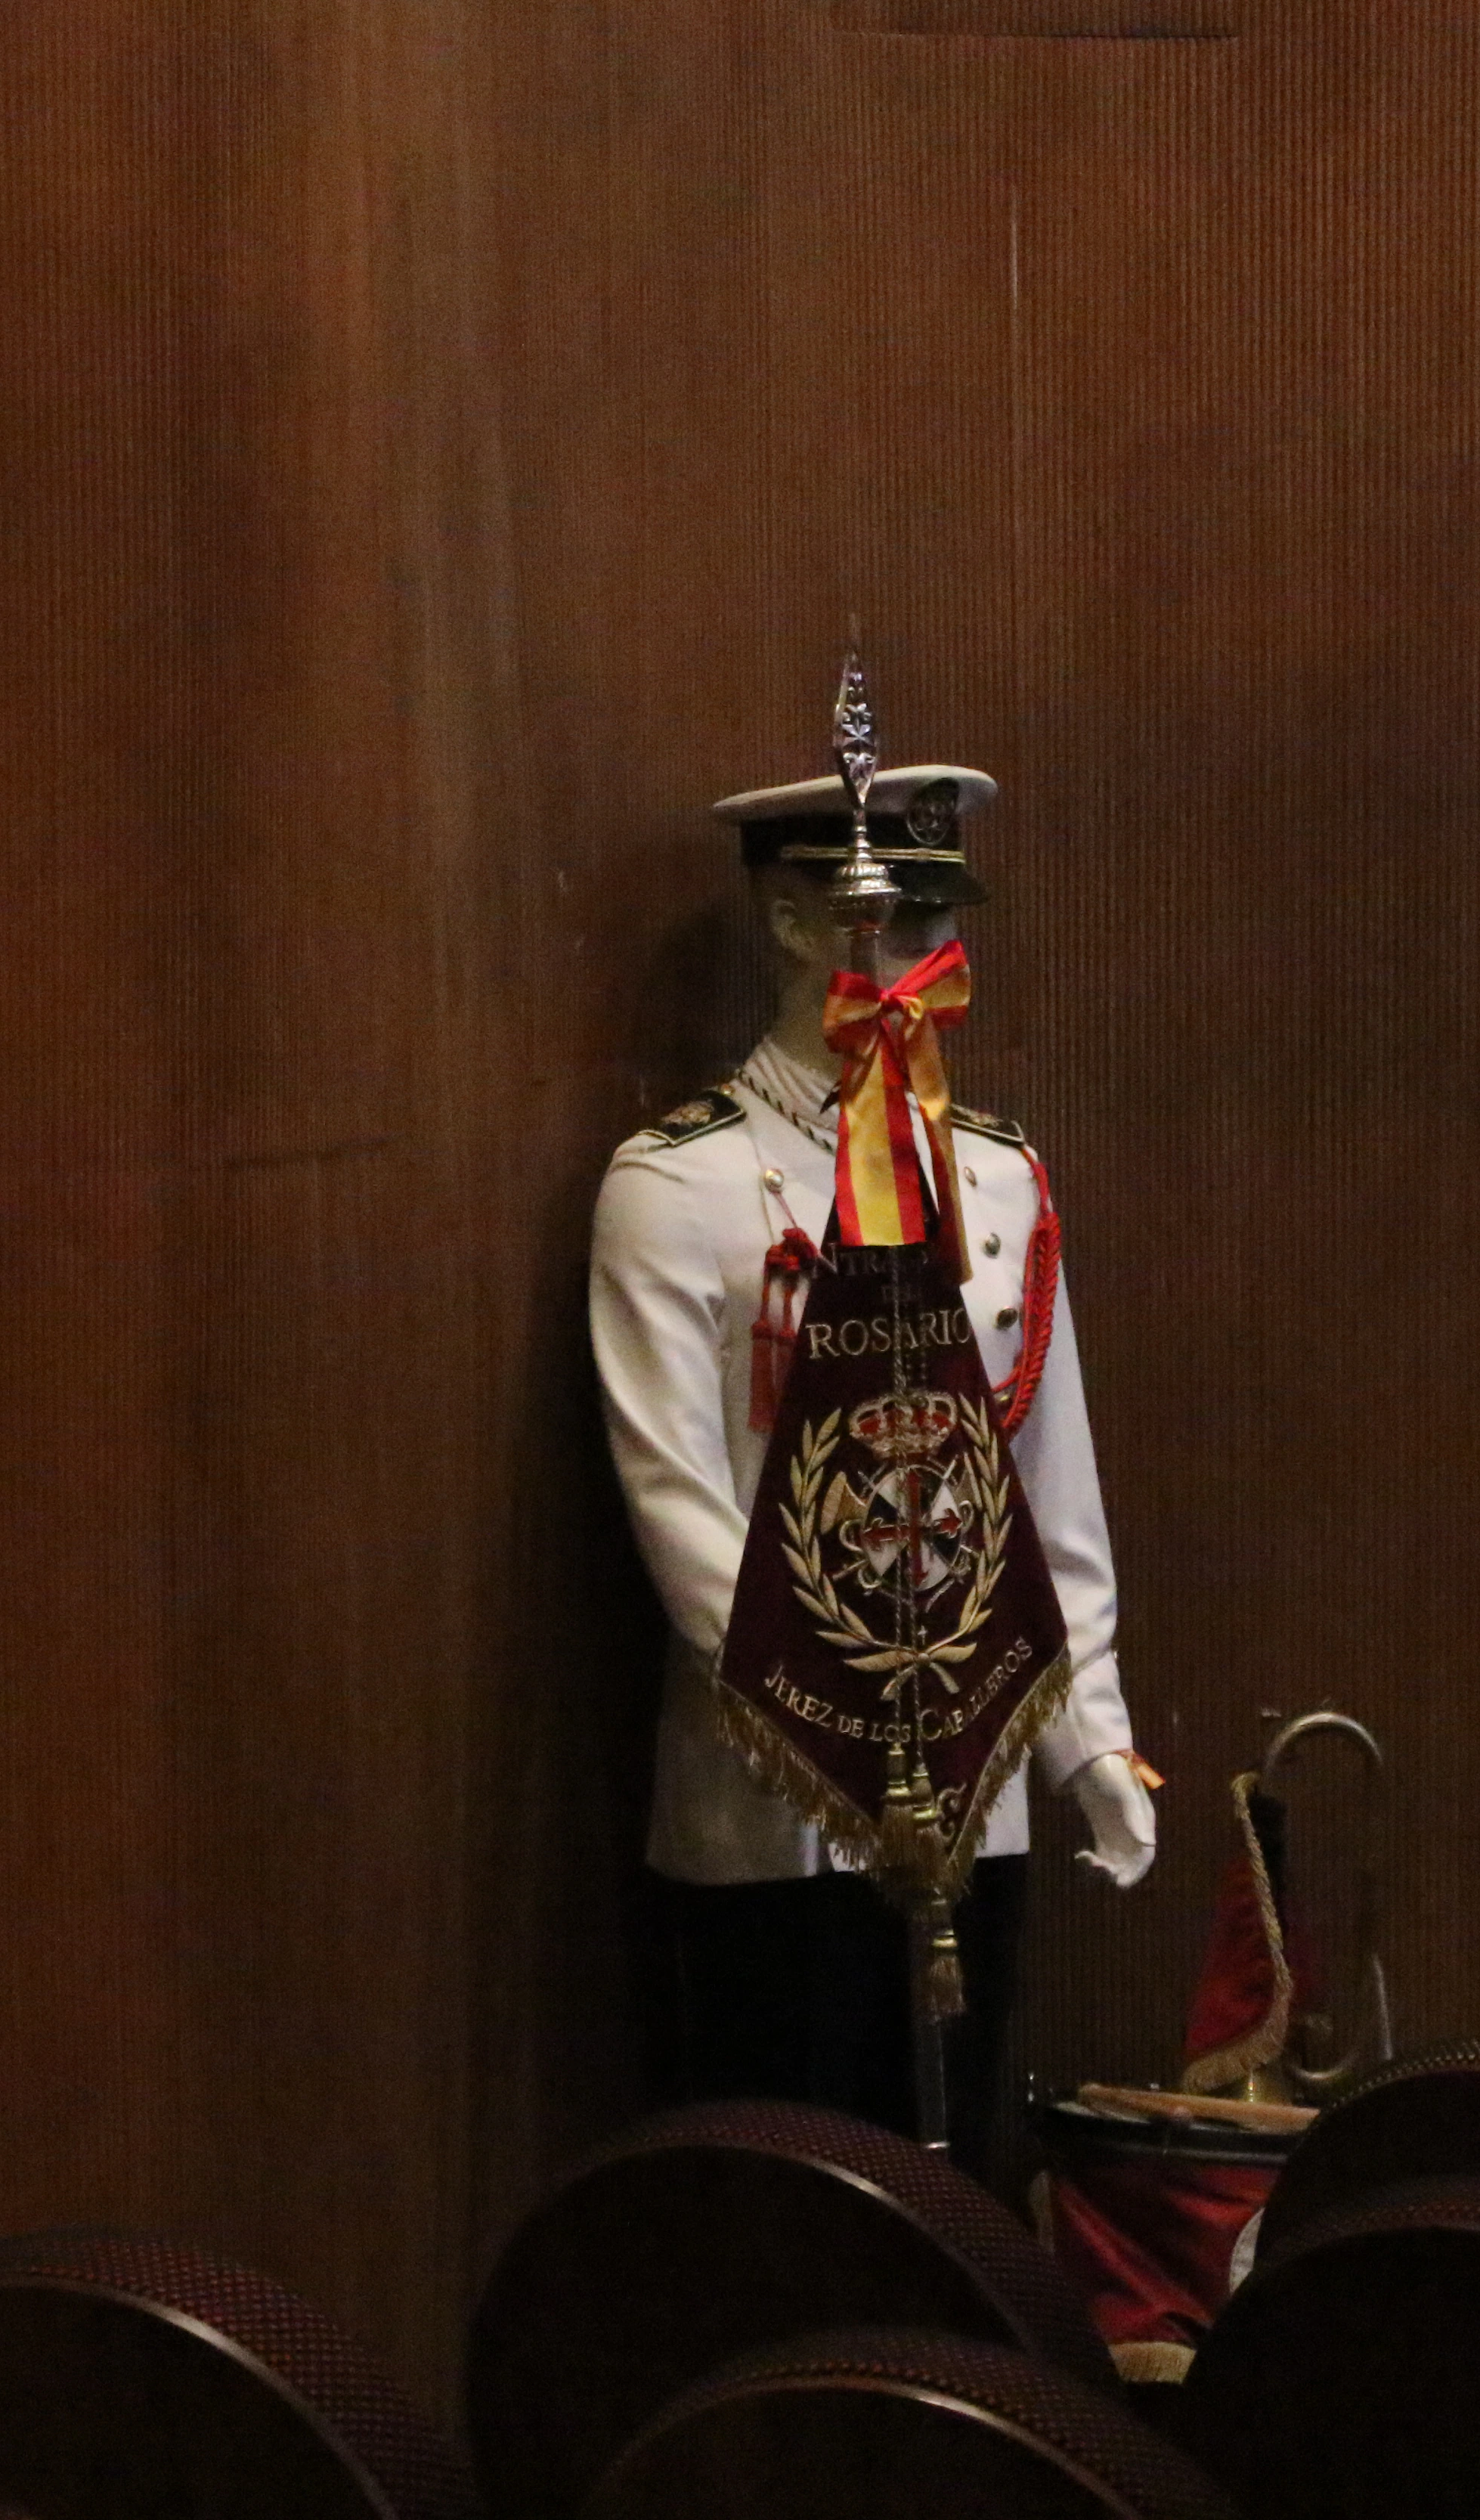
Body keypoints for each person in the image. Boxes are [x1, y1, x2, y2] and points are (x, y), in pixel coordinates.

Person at [590, 762, 1158, 2161]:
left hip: (981, 1774)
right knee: (788, 2188)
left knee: (954, 2172)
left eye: (936, 915)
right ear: (792, 924)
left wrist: (1089, 1736)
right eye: (890, 918)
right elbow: (683, 1511)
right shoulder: (677, 1189)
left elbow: (1049, 1493)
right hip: (774, 1790)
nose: (927, 952)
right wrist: (855, 1736)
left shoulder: (997, 1175)